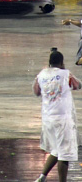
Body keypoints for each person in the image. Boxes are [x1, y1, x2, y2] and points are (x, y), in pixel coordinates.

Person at [33, 49, 81, 182]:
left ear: (49, 63)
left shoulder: (41, 75)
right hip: (63, 121)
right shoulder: (66, 74)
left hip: (48, 120)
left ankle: (42, 177)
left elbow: (36, 91)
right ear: (61, 62)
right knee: (64, 154)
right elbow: (78, 85)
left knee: (56, 150)